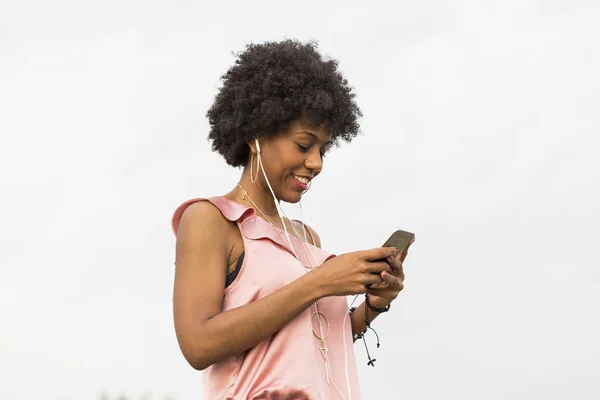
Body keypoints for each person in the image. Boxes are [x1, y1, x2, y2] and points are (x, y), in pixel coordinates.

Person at [170, 39, 414, 400]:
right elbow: (198, 344)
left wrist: (375, 304)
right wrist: (320, 282)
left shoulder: (306, 238)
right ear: (257, 136)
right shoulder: (211, 220)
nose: (316, 162)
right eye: (304, 145)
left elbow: (308, 344)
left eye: (323, 150)